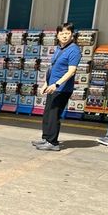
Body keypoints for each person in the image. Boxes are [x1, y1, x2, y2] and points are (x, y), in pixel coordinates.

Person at [32, 23, 81, 152]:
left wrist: (57, 84)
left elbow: (71, 71)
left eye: (67, 33)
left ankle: (53, 143)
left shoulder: (74, 50)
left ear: (72, 34)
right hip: (52, 87)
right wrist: (46, 84)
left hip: (62, 89)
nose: (65, 36)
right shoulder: (59, 48)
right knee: (47, 113)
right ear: (57, 35)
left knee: (54, 115)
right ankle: (46, 138)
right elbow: (53, 68)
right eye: (62, 33)